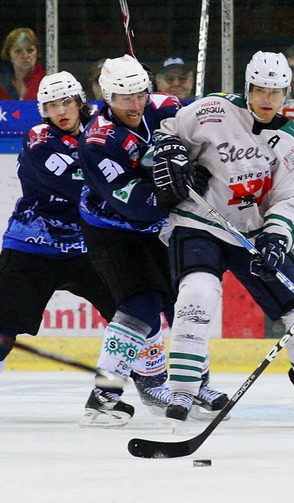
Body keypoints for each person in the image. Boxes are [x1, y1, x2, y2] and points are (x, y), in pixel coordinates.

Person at [150, 50, 294, 427]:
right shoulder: (209, 111)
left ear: (286, 93)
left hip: (252, 234)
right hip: (199, 222)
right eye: (261, 90)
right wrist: (171, 156)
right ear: (247, 87)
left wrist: (277, 237)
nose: (268, 99)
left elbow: (291, 200)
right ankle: (182, 391)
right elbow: (165, 138)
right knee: (197, 295)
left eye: (276, 91)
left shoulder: (293, 144)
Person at [0, 71, 174, 423]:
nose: (60, 111)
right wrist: (143, 165)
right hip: (33, 248)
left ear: (80, 101)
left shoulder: (104, 129)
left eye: (65, 102)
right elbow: (89, 182)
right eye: (50, 105)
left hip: (86, 249)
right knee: (4, 322)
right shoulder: (38, 140)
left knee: (135, 314)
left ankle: (152, 383)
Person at [77, 54, 225, 427]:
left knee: (185, 301)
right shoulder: (97, 140)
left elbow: (201, 132)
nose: (136, 104)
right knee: (141, 304)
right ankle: (103, 395)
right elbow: (135, 204)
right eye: (125, 98)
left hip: (161, 228)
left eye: (140, 94)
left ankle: (193, 383)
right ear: (107, 97)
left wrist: (189, 159)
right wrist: (177, 186)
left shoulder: (165, 107)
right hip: (113, 230)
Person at [0, 27, 45, 100]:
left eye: (30, 50)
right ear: (8, 54)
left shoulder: (46, 82)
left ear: (37, 52)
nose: (25, 56)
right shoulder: (2, 82)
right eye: (18, 51)